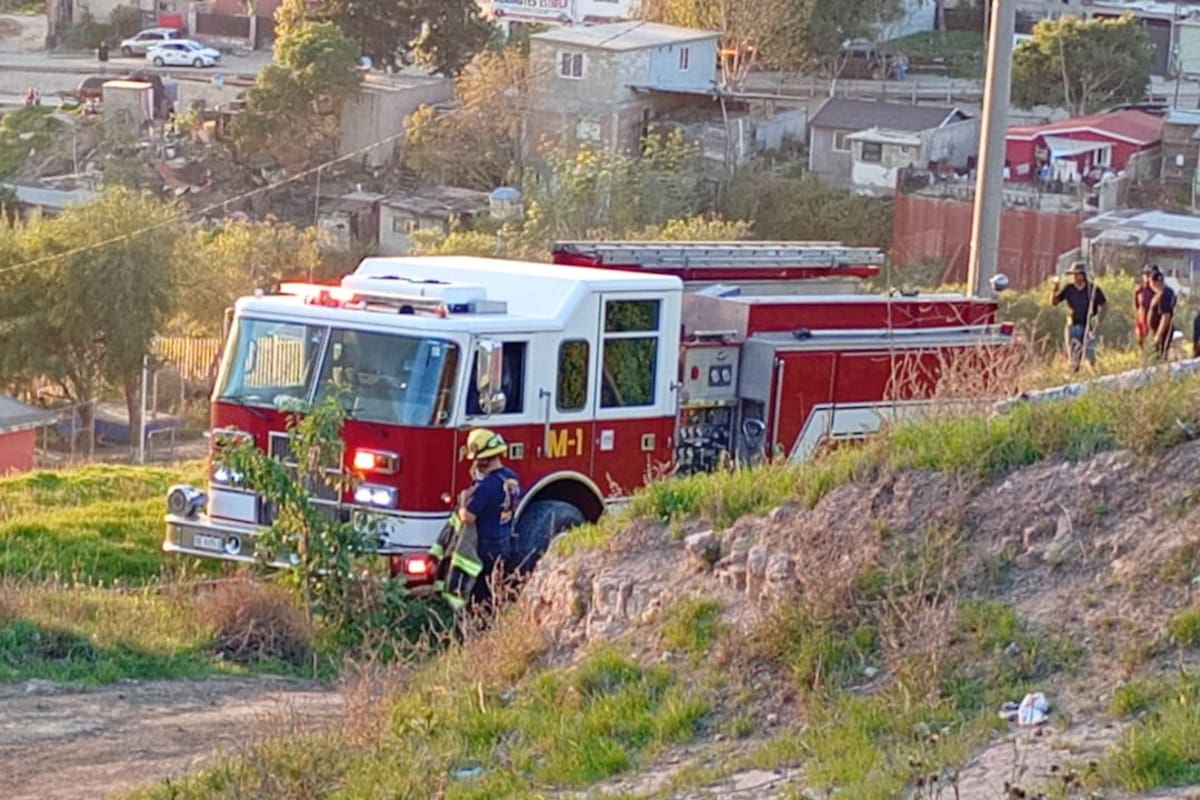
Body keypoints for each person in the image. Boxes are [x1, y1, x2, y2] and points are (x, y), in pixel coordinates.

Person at [435, 429, 521, 612]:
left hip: (485, 547)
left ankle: (476, 627)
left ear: (484, 458)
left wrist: (463, 503)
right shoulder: (511, 478)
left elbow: (468, 516)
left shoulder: (485, 487)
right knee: (496, 589)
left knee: (479, 595)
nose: (475, 463)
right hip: (505, 542)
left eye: (476, 459)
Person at [1050, 261, 1107, 373]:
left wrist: (1098, 321)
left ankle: (1092, 379)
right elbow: (1054, 302)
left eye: (1077, 274)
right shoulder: (1069, 288)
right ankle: (1074, 376)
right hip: (1073, 325)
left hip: (1088, 326)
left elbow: (1105, 305)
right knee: (1074, 357)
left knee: (1090, 357)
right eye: (1073, 274)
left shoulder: (1092, 289)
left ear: (1083, 275)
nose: (1074, 277)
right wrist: (1054, 289)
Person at [1147, 267, 1177, 360]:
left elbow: (1165, 316)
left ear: (1155, 282)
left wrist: (1159, 334)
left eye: (1150, 282)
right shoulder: (1162, 292)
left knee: (1157, 357)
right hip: (1155, 330)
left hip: (1161, 332)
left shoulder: (1164, 294)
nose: (1150, 285)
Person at [1133, 265, 1155, 349]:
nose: (1147, 277)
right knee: (1140, 341)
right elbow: (1136, 305)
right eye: (1145, 274)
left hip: (1152, 319)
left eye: (1149, 274)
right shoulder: (1139, 290)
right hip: (1141, 318)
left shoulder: (1156, 290)